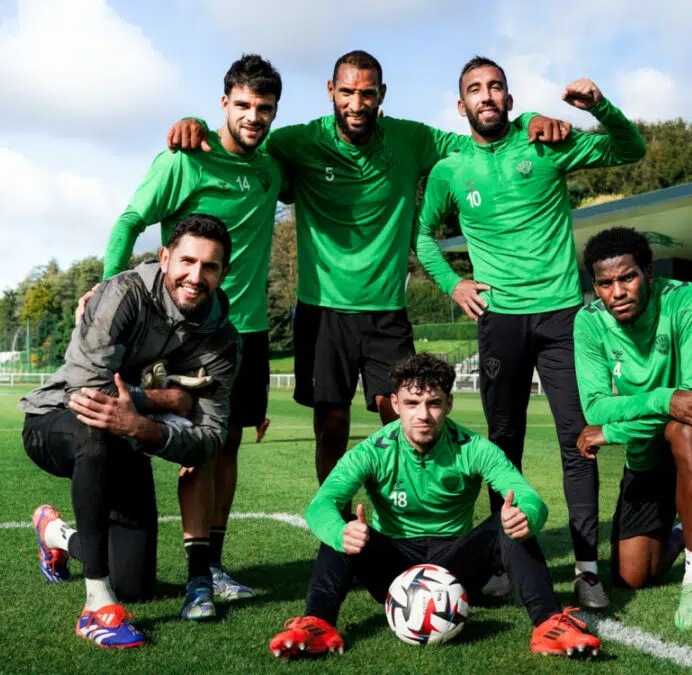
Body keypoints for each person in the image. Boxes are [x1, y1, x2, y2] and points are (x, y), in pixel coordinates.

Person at [165, 50, 573, 489]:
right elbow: (243, 135)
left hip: (386, 312)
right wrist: (197, 122)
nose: (356, 104)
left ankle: (391, 524)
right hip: (322, 311)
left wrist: (528, 117)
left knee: (396, 418)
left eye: (366, 94)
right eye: (347, 92)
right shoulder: (296, 142)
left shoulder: (409, 139)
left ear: (382, 95)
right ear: (330, 92)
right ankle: (332, 521)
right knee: (332, 426)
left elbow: (482, 138)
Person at [415, 57, 646, 607]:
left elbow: (629, 149)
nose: (486, 95)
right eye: (475, 89)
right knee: (503, 445)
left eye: (496, 86)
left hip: (564, 316)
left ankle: (587, 570)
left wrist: (599, 107)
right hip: (500, 323)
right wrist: (454, 285)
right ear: (461, 105)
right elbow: (424, 237)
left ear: (511, 99)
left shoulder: (546, 142)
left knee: (580, 440)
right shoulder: (451, 170)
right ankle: (504, 560)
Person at [87, 54, 286, 617]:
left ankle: (213, 567)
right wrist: (108, 293)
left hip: (244, 333)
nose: (253, 117)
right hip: (182, 336)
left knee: (226, 448)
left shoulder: (272, 168)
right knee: (176, 444)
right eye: (242, 105)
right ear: (223, 103)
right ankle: (94, 542)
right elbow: (130, 220)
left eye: (263, 108)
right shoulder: (185, 158)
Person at [265, 353, 602, 660]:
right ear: (395, 404)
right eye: (412, 403)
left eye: (434, 403)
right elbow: (320, 505)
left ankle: (548, 626)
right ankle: (317, 623)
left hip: (457, 565)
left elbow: (528, 497)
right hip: (391, 566)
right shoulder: (372, 451)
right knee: (344, 526)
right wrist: (341, 533)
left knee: (509, 520)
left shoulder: (473, 448)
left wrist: (527, 515)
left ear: (449, 403)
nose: (423, 415)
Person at [20, 215, 239, 648]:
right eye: (187, 261)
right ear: (164, 258)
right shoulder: (123, 294)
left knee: (136, 582)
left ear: (223, 273)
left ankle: (56, 535)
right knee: (96, 430)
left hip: (130, 440)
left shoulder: (223, 340)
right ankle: (96, 606)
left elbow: (211, 438)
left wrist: (143, 425)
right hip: (55, 420)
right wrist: (169, 401)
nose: (195, 277)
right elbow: (90, 397)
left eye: (209, 267)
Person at [573, 226, 692, 631]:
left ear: (647, 273)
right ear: (595, 286)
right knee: (633, 576)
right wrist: (664, 399)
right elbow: (596, 407)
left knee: (684, 430)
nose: (617, 292)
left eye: (627, 277)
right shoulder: (588, 323)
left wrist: (614, 432)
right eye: (605, 283)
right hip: (645, 452)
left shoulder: (685, 299)